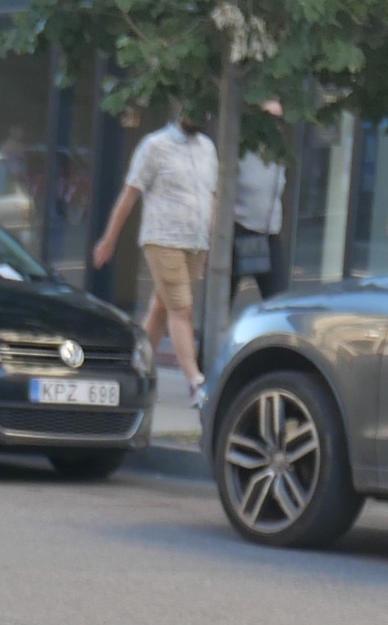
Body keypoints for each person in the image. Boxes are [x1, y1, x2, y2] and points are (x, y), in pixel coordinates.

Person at [93, 106, 218, 403]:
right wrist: (109, 239)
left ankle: (135, 369)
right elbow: (129, 194)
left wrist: (210, 242)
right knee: (182, 309)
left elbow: (211, 196)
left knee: (162, 308)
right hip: (163, 239)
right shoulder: (155, 145)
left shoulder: (209, 149)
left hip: (195, 242)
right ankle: (195, 381)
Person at [232, 103, 290, 305]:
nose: (275, 126)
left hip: (269, 235)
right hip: (240, 230)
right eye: (269, 119)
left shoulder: (279, 156)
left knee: (278, 300)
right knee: (222, 299)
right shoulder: (241, 152)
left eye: (279, 120)